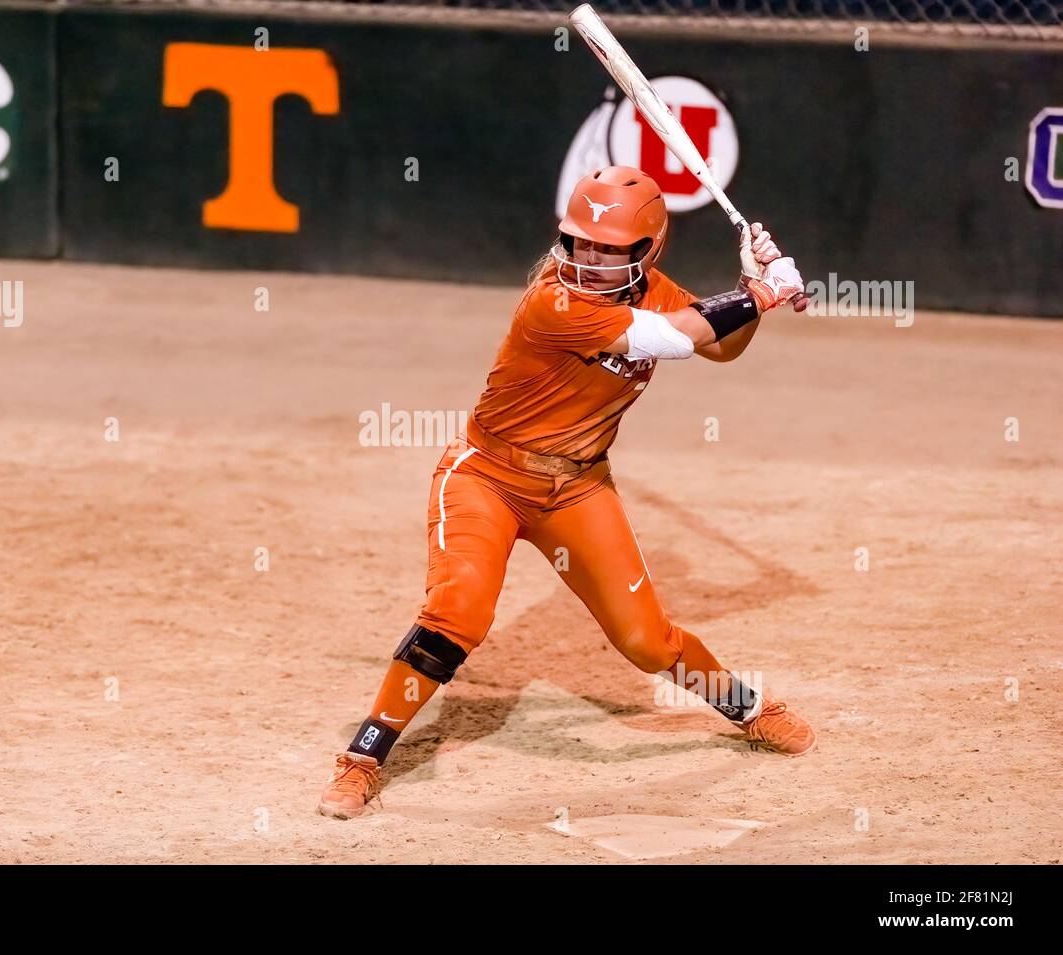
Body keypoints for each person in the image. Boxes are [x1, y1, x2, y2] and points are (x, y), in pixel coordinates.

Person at [319, 166, 815, 820]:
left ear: (645, 251)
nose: (590, 256)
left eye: (610, 248)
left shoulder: (658, 292)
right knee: (457, 614)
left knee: (647, 642)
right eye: (581, 241)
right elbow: (668, 339)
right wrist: (761, 292)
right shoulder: (552, 302)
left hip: (578, 487)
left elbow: (720, 346)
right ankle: (361, 759)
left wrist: (751, 289)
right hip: (486, 477)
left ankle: (750, 708)